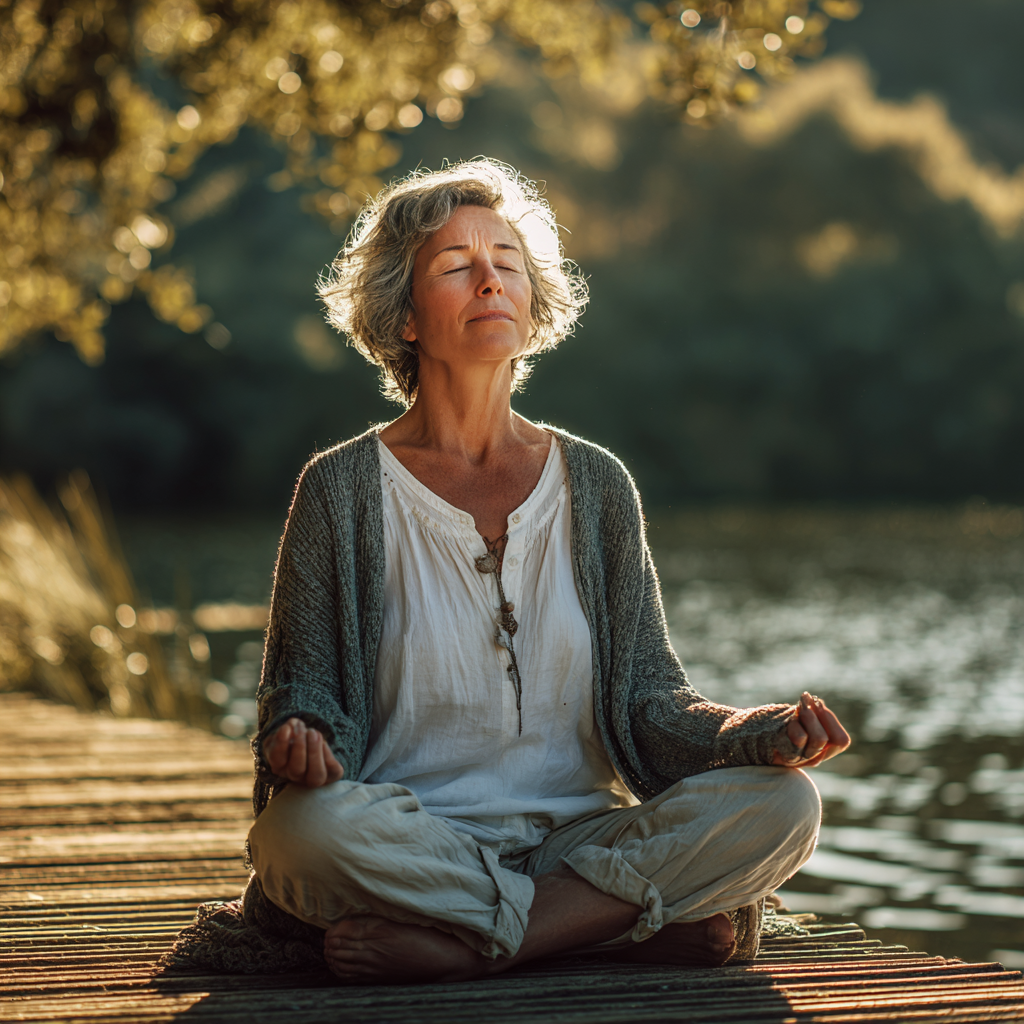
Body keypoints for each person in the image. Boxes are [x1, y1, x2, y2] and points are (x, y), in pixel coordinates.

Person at [240, 158, 850, 985]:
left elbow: (650, 702)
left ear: (532, 303)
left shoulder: (597, 484)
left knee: (785, 805)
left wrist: (756, 734)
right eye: (456, 266)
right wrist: (299, 737)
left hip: (581, 839)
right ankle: (606, 925)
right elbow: (302, 689)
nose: (490, 279)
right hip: (417, 834)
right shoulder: (340, 490)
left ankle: (481, 943)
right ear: (405, 317)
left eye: (508, 262)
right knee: (297, 835)